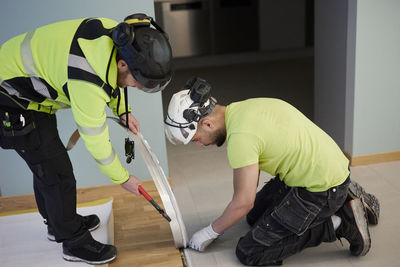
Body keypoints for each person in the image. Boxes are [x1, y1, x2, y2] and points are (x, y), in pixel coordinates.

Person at [0, 13, 172, 265]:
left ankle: (58, 223)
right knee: (56, 172)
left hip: (30, 92)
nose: (137, 87)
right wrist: (123, 178)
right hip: (11, 98)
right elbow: (96, 141)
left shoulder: (121, 38)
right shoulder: (87, 80)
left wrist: (122, 110)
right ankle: (73, 242)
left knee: (47, 164)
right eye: (139, 81)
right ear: (124, 64)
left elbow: (113, 81)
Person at [164, 77, 380, 266]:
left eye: (196, 140)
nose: (200, 145)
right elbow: (247, 199)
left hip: (320, 188)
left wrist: (210, 232)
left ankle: (342, 222)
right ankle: (345, 191)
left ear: (207, 124)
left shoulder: (241, 138)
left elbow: (242, 201)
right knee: (254, 217)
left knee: (251, 252)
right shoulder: (244, 108)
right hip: (321, 167)